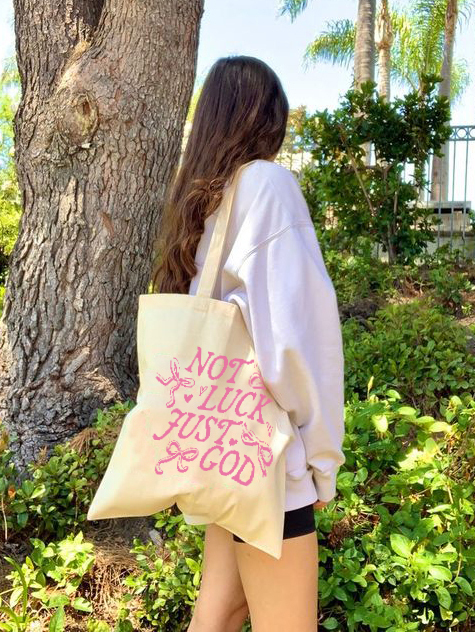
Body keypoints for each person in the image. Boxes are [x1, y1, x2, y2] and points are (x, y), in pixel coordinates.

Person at [152, 55, 346, 632]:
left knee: (220, 613)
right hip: (268, 460)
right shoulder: (268, 185)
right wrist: (322, 462)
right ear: (268, 119)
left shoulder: (202, 202)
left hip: (222, 449)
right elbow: (294, 342)